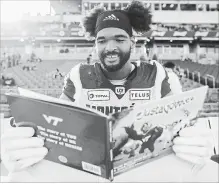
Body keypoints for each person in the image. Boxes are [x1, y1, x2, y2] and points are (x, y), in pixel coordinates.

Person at [1, 1, 217, 182]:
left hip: (145, 167)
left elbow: (181, 122)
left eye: (119, 39)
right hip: (90, 169)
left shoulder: (157, 73)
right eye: (102, 40)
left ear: (132, 42)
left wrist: (195, 141)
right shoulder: (79, 74)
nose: (110, 47)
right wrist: (23, 144)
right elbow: (59, 120)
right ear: (95, 44)